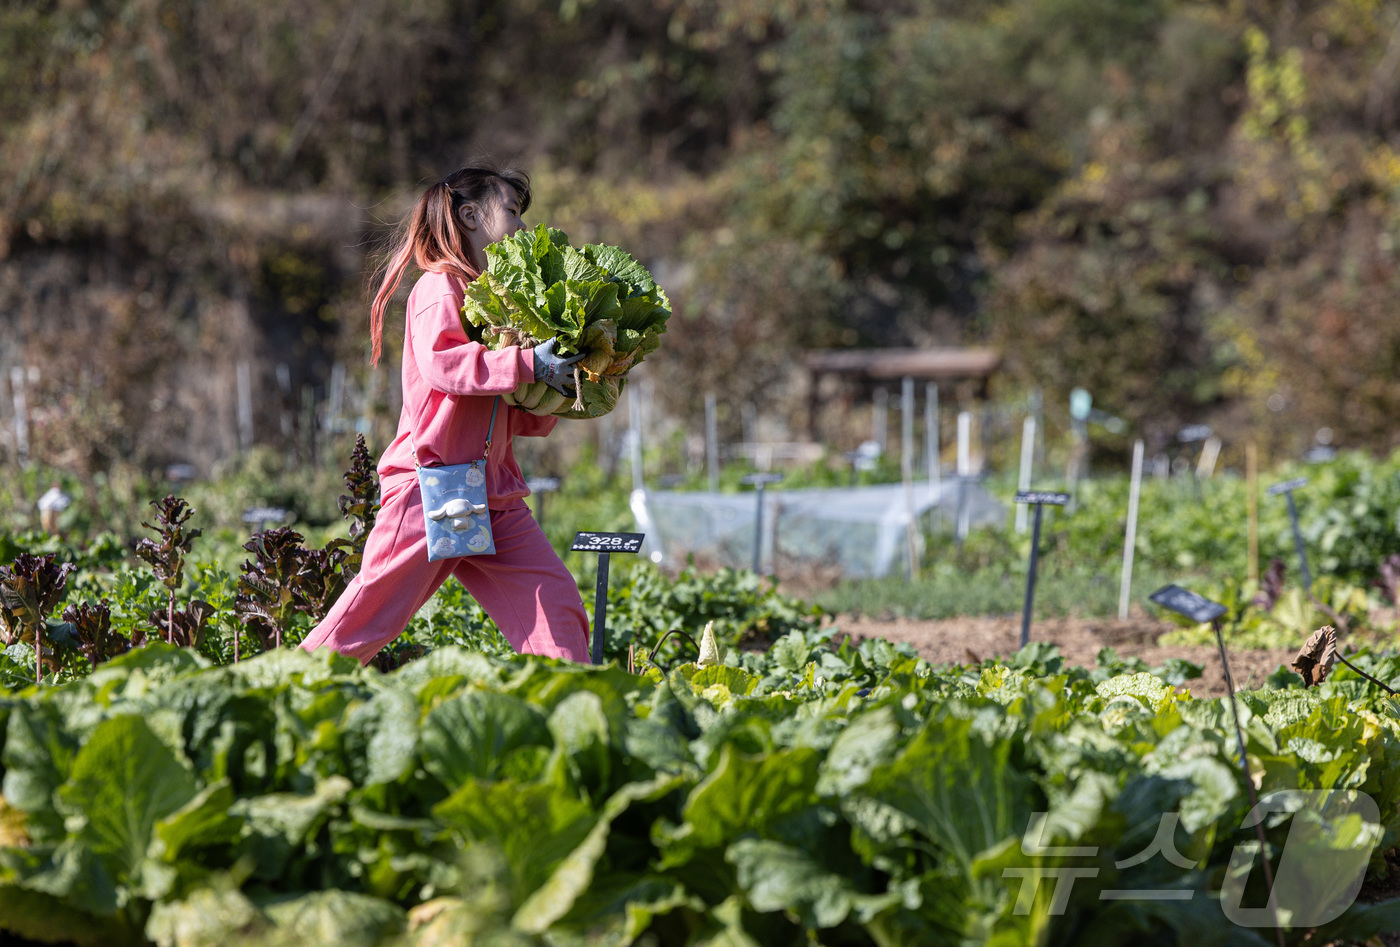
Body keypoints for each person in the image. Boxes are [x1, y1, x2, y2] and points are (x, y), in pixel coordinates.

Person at [300, 165, 592, 664]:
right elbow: (444, 365)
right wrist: (527, 363)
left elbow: (507, 408)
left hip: (493, 495)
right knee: (369, 617)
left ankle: (571, 706)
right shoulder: (439, 287)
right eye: (513, 213)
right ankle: (282, 691)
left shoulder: (496, 303)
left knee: (554, 602)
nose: (522, 227)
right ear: (472, 215)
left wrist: (553, 391)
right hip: (431, 489)